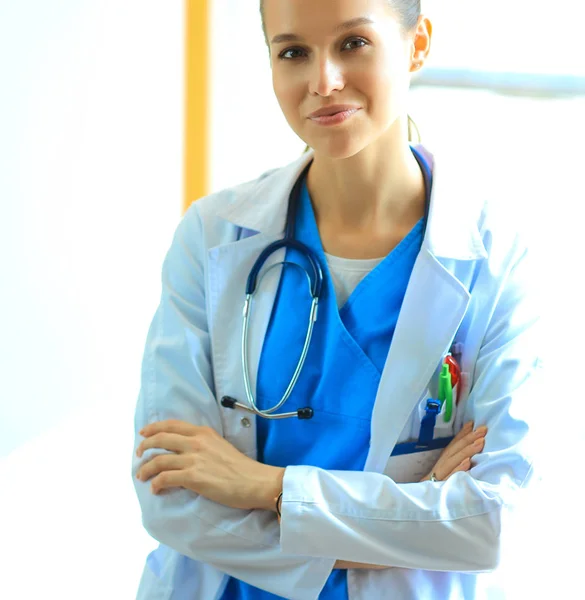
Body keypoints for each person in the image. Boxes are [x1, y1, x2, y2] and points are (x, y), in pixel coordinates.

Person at [131, 0, 541, 598]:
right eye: (293, 52)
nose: (323, 82)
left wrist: (264, 486)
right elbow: (169, 494)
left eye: (353, 44)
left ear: (417, 44)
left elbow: (489, 523)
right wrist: (414, 517)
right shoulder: (213, 237)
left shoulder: (496, 255)